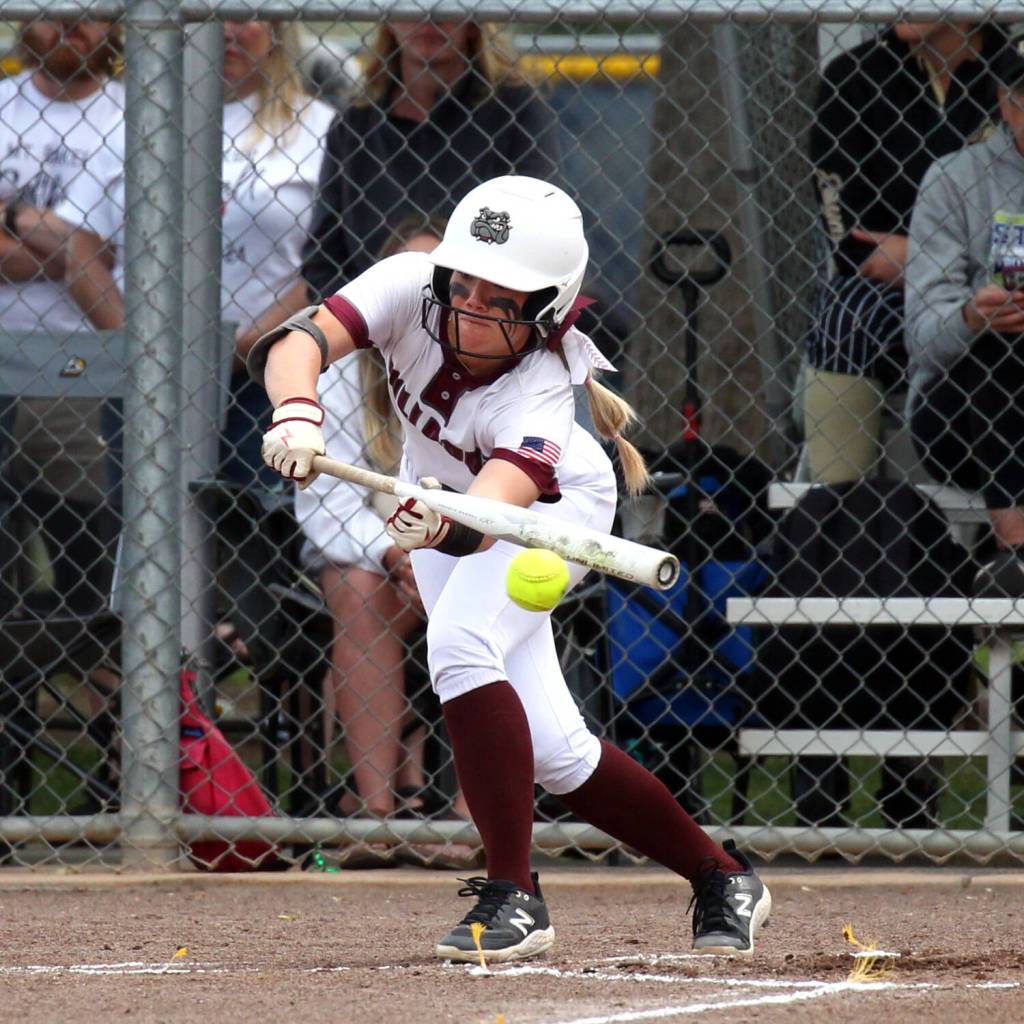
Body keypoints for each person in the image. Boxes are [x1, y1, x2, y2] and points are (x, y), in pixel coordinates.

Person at [250, 175, 771, 963]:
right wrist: (297, 409)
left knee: (459, 644)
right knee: (557, 753)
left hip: (546, 508)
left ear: (547, 312)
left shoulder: (537, 392)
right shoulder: (408, 285)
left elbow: (494, 511)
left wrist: (443, 522)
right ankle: (722, 874)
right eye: (467, 284)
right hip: (454, 505)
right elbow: (297, 342)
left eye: (502, 300)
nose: (470, 309)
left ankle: (513, 892)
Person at [59, 19, 337, 489]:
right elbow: (82, 253)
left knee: (253, 539)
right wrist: (144, 350)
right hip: (144, 381)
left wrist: (250, 346)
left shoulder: (319, 128)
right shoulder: (135, 119)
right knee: (136, 532)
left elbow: (331, 263)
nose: (227, 31)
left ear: (275, 31)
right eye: (209, 15)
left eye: (244, 15)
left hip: (265, 377)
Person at [297, 214, 478, 868]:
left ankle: (469, 820)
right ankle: (375, 815)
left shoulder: (495, 354)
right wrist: (394, 550)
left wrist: (443, 545)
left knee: (474, 589)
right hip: (375, 550)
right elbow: (326, 496)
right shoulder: (342, 369)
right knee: (359, 589)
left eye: (444, 280)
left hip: (470, 540)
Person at [802, 21, 1006, 482]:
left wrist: (931, 255)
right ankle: (838, 519)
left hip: (1004, 284)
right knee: (845, 314)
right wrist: (952, 265)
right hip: (896, 288)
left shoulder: (1010, 70)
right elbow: (855, 242)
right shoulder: (854, 76)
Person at [0, 19, 124, 617]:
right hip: (3, 352)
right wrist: (74, 248)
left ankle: (109, 706)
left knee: (90, 569)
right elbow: (88, 251)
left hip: (88, 369)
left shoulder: (141, 112)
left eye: (92, 5)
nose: (73, 19)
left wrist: (14, 216)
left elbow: (102, 255)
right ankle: (15, 713)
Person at [302, 17, 558, 302]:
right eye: (414, 6)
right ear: (390, 20)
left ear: (473, 22)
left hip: (481, 311)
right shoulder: (356, 122)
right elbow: (323, 260)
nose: (428, 17)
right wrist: (366, 323)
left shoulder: (513, 111)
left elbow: (537, 234)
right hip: (376, 318)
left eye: (445, 6)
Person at [906, 33, 1024, 597]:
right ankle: (1018, 553)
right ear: (1005, 102)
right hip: (962, 410)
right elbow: (924, 339)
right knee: (1003, 345)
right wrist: (974, 316)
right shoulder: (954, 179)